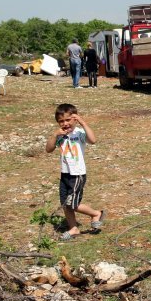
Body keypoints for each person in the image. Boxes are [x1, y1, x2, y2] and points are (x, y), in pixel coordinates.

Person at [45, 103, 105, 240]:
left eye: (68, 120)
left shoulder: (79, 133)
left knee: (72, 203)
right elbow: (48, 149)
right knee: (65, 204)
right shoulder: (59, 136)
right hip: (65, 174)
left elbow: (93, 140)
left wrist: (83, 123)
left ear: (75, 119)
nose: (65, 123)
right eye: (61, 121)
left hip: (77, 174)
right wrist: (54, 135)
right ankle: (73, 228)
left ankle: (96, 213)